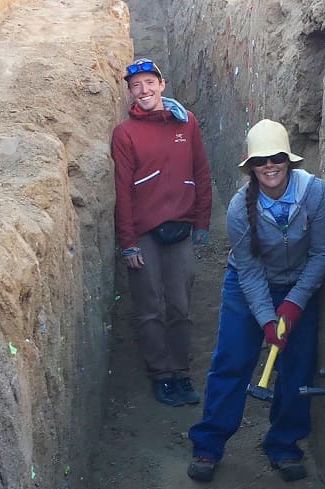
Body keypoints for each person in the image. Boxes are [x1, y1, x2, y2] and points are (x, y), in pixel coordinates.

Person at [187, 119, 325, 482]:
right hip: (246, 286)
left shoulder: (314, 194)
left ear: (289, 159)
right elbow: (249, 273)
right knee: (232, 361)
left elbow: (321, 254)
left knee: (296, 368)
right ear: (251, 166)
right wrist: (268, 321)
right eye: (261, 160)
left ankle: (283, 445)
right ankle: (209, 444)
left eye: (277, 157)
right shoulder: (240, 209)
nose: (270, 165)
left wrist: (294, 303)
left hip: (299, 286)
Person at [111, 58, 212, 407]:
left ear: (162, 84)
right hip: (144, 233)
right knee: (151, 306)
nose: (144, 90)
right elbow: (122, 191)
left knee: (181, 306)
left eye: (150, 82)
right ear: (130, 92)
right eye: (136, 85)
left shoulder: (187, 123)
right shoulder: (125, 134)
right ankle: (161, 375)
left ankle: (181, 372)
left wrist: (202, 222)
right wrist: (127, 243)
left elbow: (201, 172)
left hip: (180, 228)